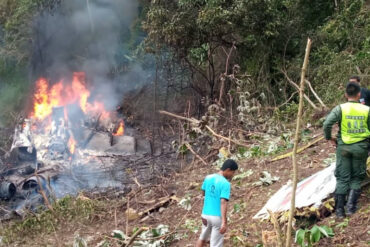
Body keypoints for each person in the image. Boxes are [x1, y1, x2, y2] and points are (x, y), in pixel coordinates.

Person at [323, 82, 370, 218]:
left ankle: (339, 211)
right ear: (359, 94)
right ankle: (351, 208)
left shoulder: (340, 109)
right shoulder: (366, 110)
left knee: (342, 178)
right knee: (357, 177)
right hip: (361, 147)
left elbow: (327, 124)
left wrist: (329, 137)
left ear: (345, 95)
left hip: (343, 147)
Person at [196, 159, 238, 247]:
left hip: (205, 215)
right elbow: (223, 202)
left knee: (202, 238)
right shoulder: (225, 183)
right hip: (216, 217)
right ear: (228, 170)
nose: (232, 175)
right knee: (216, 244)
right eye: (233, 172)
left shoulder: (208, 177)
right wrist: (224, 222)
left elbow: (203, 193)